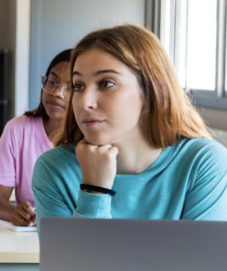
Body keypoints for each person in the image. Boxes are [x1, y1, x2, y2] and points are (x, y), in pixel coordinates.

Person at [32, 24, 227, 231]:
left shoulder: (204, 163)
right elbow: (71, 264)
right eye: (78, 86)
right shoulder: (54, 169)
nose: (84, 102)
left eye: (106, 83)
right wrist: (94, 191)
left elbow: (199, 263)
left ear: (151, 90)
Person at [0, 49, 72, 226]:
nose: (55, 93)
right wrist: (14, 212)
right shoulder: (18, 129)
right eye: (52, 82)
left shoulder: (94, 138)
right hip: (29, 240)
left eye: (69, 88)